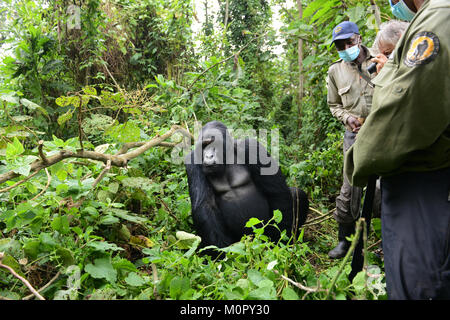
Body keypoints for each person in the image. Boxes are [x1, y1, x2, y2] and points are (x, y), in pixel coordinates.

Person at [344, 0, 449, 299]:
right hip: (426, 172)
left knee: (417, 285)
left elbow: (406, 105)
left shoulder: (439, 15)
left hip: (422, 175)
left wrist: (358, 159)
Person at [325, 21, 376, 259]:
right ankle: (344, 241)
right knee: (350, 186)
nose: (345, 48)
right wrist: (347, 118)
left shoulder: (381, 61)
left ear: (358, 38)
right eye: (339, 45)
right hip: (354, 134)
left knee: (387, 185)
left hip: (383, 131)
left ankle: (388, 240)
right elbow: (333, 104)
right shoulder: (335, 70)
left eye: (348, 42)